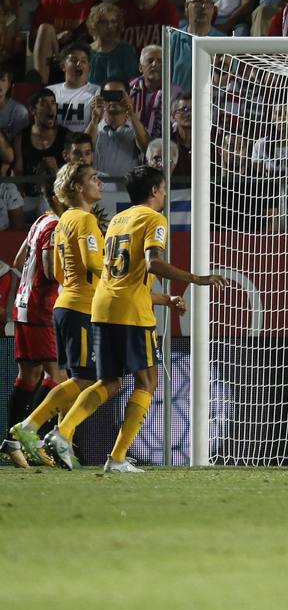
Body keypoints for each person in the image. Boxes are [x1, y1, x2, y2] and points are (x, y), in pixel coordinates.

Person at [38, 165, 223, 471]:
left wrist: (163, 299)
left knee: (108, 381)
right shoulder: (154, 219)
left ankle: (63, 432)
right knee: (147, 381)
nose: (164, 193)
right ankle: (117, 457)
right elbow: (153, 264)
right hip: (130, 313)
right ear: (154, 191)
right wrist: (196, 278)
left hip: (101, 307)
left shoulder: (117, 221)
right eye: (163, 188)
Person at [2, 191, 61, 466]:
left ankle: (11, 442)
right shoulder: (56, 225)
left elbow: (17, 260)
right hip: (42, 308)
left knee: (29, 375)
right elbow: (51, 272)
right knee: (59, 377)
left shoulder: (39, 221)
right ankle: (33, 435)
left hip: (24, 304)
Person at [31, 0, 100, 83]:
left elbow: (99, 43)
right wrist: (56, 38)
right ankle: (41, 89)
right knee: (45, 29)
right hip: (54, 59)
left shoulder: (95, 5)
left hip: (82, 60)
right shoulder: (48, 3)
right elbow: (33, 42)